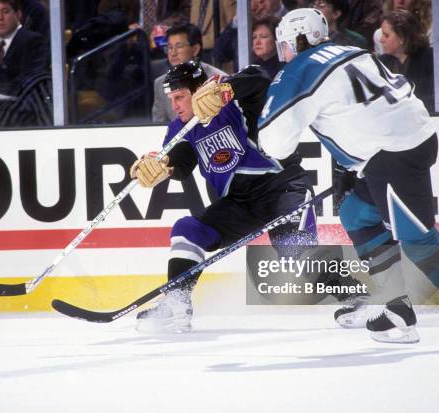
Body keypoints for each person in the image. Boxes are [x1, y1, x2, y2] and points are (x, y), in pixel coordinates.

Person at [193, 8, 439, 344]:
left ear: (296, 40)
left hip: (391, 154)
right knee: (356, 213)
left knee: (420, 245)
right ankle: (396, 308)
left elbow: (276, 143)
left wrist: (233, 99)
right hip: (407, 142)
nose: (284, 53)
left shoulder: (300, 68)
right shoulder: (352, 50)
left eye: (284, 45)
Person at [133, 61, 318, 333]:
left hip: (282, 188)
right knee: (187, 230)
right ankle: (176, 302)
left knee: (296, 258)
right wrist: (161, 168)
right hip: (238, 204)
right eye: (171, 99)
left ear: (199, 90)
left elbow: (259, 77)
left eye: (180, 96)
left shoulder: (236, 103)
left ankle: (357, 295)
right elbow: (180, 163)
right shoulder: (180, 128)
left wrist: (225, 90)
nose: (175, 105)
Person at [152, 23, 225, 123]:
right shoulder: (160, 84)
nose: (173, 53)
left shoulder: (219, 80)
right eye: (169, 47)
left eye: (179, 46)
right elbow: (158, 127)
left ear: (195, 49)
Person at [378, 9, 435, 111]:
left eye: (386, 35)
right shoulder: (381, 63)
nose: (381, 40)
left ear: (402, 38)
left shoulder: (430, 58)